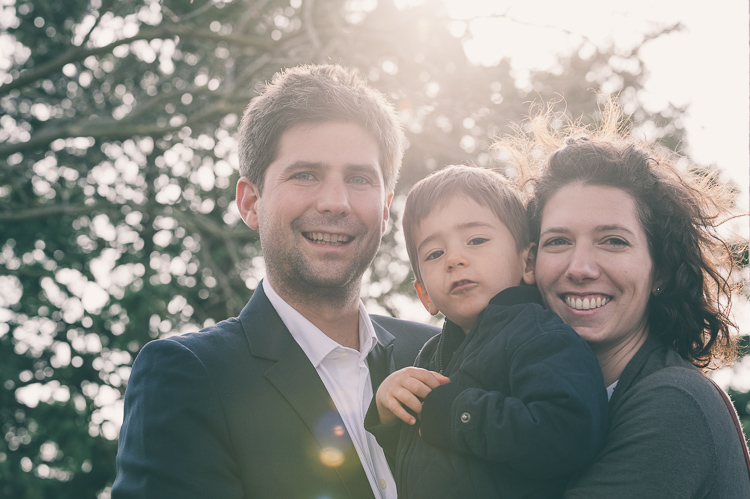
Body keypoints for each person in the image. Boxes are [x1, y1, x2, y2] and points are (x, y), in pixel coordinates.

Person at [112, 64, 437, 499]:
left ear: (384, 209)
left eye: (359, 179)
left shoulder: (440, 355)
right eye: (305, 174)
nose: (335, 202)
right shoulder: (189, 378)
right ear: (250, 202)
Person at [503, 102, 750, 498]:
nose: (580, 267)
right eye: (558, 241)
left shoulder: (674, 405)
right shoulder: (535, 400)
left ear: (662, 271)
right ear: (529, 261)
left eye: (613, 241)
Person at [366, 165, 609, 498]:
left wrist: (459, 415)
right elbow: (427, 458)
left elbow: (569, 433)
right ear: (424, 295)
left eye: (476, 240)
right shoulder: (428, 357)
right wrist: (390, 413)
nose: (454, 259)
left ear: (528, 263)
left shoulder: (539, 337)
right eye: (435, 253)